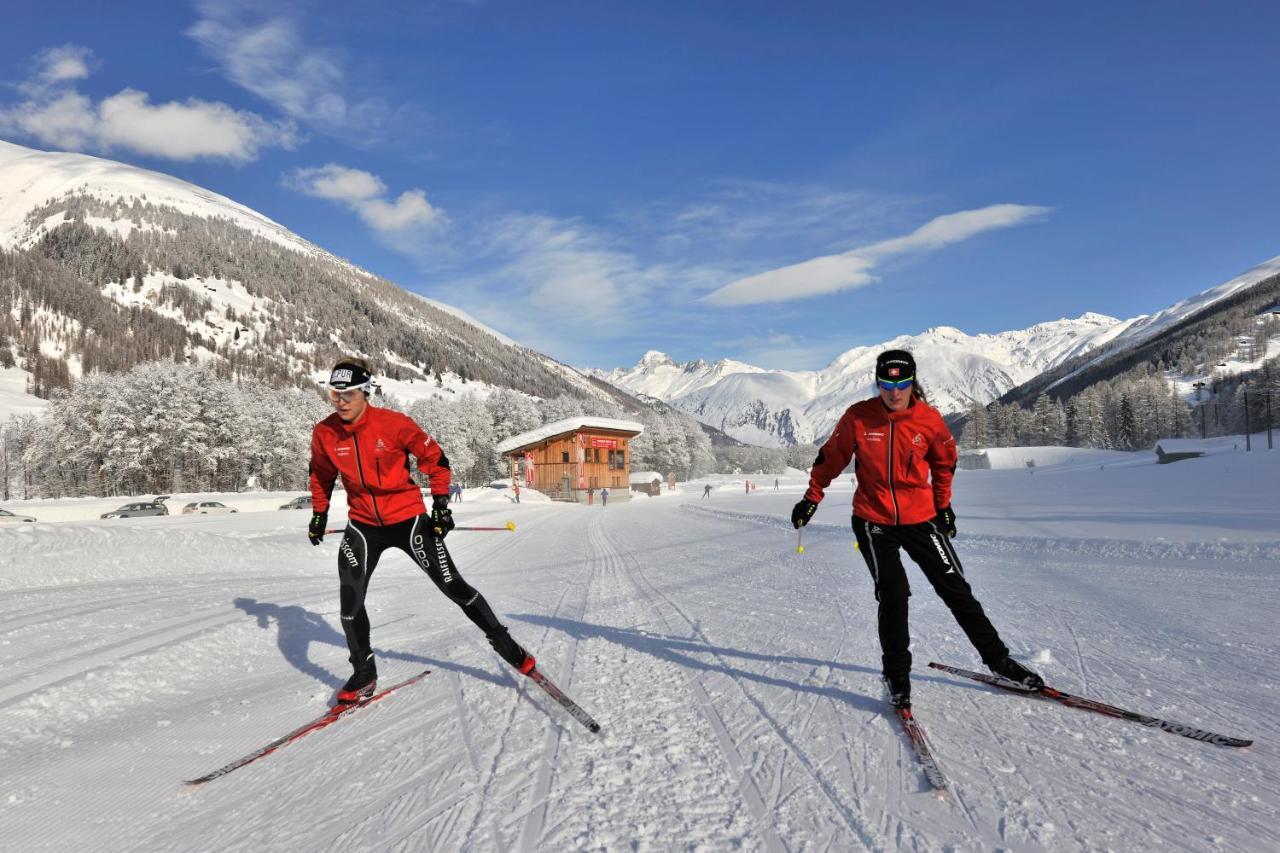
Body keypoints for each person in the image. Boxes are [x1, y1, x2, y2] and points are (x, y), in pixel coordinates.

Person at [790, 349, 1043, 710]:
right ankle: (896, 675)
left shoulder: (929, 421)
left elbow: (944, 464)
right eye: (887, 384)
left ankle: (1000, 662)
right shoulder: (858, 417)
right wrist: (812, 497)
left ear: (913, 383)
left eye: (902, 383)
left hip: (921, 518)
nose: (894, 392)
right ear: (878, 383)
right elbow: (831, 457)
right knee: (894, 594)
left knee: (955, 589)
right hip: (873, 520)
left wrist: (943, 507)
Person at [308, 357, 536, 702]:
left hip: (408, 518)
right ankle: (364, 673)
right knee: (349, 602)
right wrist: (319, 514)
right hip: (363, 525)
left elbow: (436, 461)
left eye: (348, 394)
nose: (340, 401)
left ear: (366, 392)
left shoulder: (394, 424)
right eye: (334, 393)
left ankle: (506, 645)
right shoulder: (325, 433)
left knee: (453, 586)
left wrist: (441, 506)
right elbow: (320, 476)